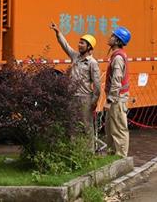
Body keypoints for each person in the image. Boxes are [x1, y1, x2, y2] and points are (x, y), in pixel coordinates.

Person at [50, 22, 101, 150]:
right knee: (72, 125)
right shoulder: (75, 57)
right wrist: (58, 32)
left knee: (86, 126)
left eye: (82, 43)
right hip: (72, 96)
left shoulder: (92, 63)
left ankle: (89, 152)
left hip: (85, 98)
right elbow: (65, 46)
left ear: (89, 47)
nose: (79, 45)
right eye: (79, 42)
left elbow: (97, 85)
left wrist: (94, 102)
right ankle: (74, 150)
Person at [104, 26, 131, 157]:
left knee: (119, 129)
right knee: (110, 129)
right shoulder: (116, 56)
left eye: (112, 36)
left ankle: (121, 157)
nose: (110, 37)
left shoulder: (118, 58)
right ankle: (112, 155)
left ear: (117, 41)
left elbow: (116, 81)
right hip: (117, 98)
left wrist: (110, 100)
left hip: (117, 99)